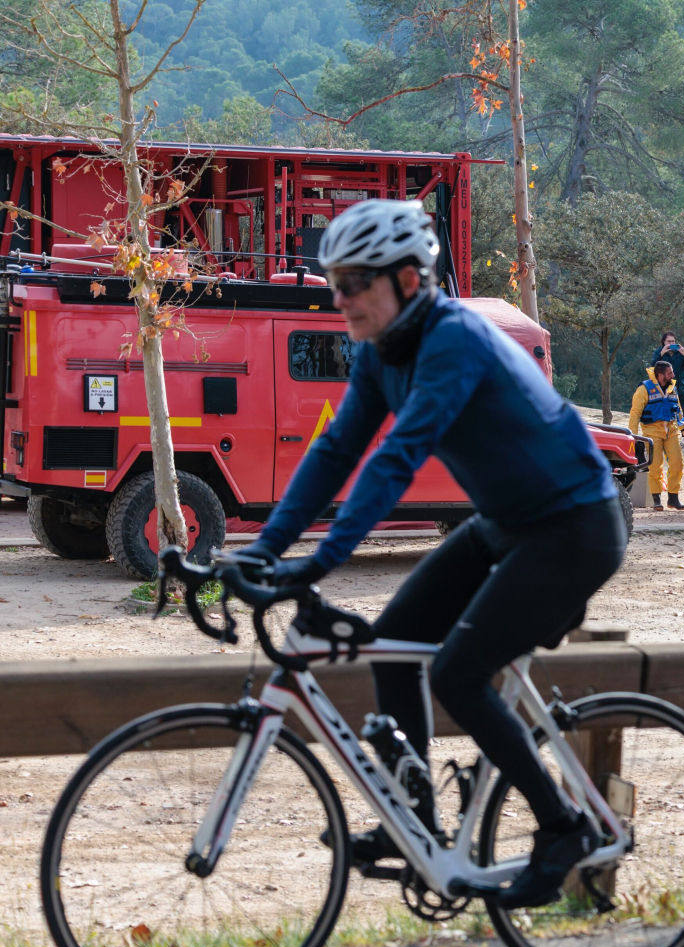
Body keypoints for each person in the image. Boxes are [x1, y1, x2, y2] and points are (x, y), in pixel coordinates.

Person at [237, 199, 626, 910]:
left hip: (574, 528)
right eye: (335, 282)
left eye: (355, 282)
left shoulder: (455, 340)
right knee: (392, 646)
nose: (340, 296)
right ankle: (412, 823)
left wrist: (318, 564)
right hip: (506, 523)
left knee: (456, 672)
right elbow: (335, 453)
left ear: (410, 281)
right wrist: (263, 549)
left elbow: (394, 459)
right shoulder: (380, 353)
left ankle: (562, 829)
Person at [628, 360, 684, 510]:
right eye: (670, 373)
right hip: (652, 432)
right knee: (655, 467)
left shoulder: (672, 388)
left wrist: (683, 429)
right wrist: (633, 436)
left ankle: (673, 498)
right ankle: (656, 499)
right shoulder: (644, 389)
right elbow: (635, 414)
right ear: (660, 375)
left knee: (677, 464)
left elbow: (678, 410)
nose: (673, 375)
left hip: (672, 431)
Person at [652, 333, 684, 451]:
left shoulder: (679, 353)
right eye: (669, 342)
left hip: (679, 387)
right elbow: (652, 365)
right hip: (663, 390)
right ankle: (661, 442)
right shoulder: (659, 352)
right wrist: (661, 353)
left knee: (682, 414)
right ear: (663, 342)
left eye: (673, 341)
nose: (671, 344)